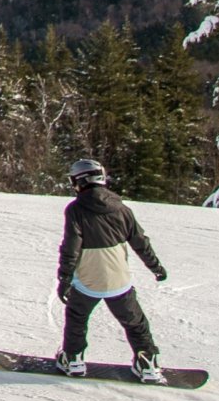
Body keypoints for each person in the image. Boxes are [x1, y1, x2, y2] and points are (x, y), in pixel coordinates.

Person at [54, 157, 168, 382]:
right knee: (135, 322)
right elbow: (140, 242)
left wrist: (64, 279)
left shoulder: (76, 210)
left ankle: (73, 358)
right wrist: (156, 267)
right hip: (118, 279)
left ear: (81, 181)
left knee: (77, 316)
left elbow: (71, 247)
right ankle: (147, 363)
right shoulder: (122, 208)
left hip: (88, 279)